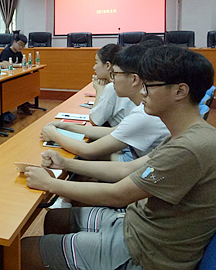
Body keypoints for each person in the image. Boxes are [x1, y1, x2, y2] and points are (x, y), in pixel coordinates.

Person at [22, 46, 216, 270]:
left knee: (24, 251)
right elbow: (128, 169)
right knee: (54, 219)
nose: (143, 92)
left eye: (149, 86)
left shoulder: (188, 148)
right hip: (137, 223)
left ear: (180, 91)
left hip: (147, 251)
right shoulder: (186, 134)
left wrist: (50, 183)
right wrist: (65, 163)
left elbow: (118, 194)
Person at [41, 45, 170, 161]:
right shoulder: (142, 108)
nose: (113, 80)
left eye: (115, 74)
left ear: (134, 79)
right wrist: (66, 126)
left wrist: (53, 135)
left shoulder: (144, 114)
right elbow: (113, 131)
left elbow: (89, 151)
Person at [89, 44, 135, 127]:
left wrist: (99, 91)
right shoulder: (128, 83)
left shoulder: (113, 87)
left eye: (96, 63)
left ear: (107, 65)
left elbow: (94, 120)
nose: (94, 67)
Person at [0, 34, 33, 115]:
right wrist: (20, 65)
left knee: (26, 80)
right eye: (20, 44)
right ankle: (21, 104)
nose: (21, 47)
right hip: (6, 77)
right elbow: (5, 64)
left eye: (23, 46)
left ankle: (23, 102)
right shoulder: (6, 51)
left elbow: (21, 63)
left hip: (15, 76)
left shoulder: (18, 53)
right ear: (14, 42)